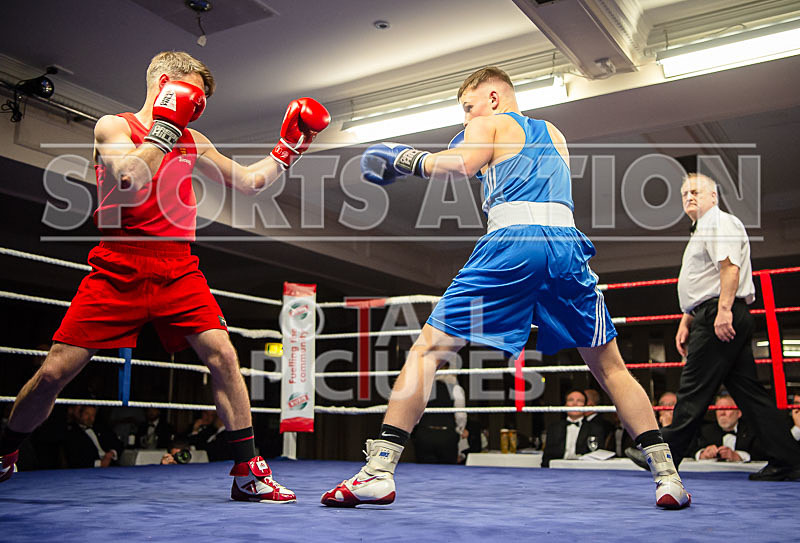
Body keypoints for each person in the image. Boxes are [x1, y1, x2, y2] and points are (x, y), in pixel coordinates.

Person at [321, 66, 689, 509]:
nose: (465, 119)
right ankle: (669, 477)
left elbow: (462, 163)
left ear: (493, 97)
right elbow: (499, 162)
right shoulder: (554, 133)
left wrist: (404, 159)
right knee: (610, 368)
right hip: (568, 248)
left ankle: (379, 470)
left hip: (514, 243)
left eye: (468, 107)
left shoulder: (488, 123)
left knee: (428, 350)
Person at [0, 51, 330, 503]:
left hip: (177, 266)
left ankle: (248, 471)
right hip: (118, 264)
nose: (198, 107)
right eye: (192, 94)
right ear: (164, 84)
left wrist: (288, 149)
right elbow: (130, 177)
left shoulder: (193, 139)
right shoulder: (112, 127)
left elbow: (251, 181)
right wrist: (165, 128)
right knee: (55, 371)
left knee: (223, 355)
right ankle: (4, 451)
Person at [627, 173, 800, 480]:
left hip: (722, 312)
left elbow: (729, 268)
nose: (689, 197)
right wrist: (687, 320)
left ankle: (665, 455)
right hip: (714, 311)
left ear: (713, 196)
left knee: (694, 388)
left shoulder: (720, 222)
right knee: (749, 394)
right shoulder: (702, 229)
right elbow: (704, 282)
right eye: (684, 194)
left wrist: (723, 311)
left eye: (695, 191)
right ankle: (788, 459)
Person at [542, 390, 611, 467]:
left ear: (585, 406)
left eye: (579, 401)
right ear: (565, 405)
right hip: (557, 470)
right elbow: (547, 457)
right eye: (571, 400)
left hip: (584, 470)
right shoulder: (554, 428)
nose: (575, 404)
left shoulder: (595, 428)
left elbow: (597, 455)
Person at [411, 372, 466, 464]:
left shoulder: (421, 389)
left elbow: (414, 412)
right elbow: (461, 415)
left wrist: (417, 428)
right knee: (448, 472)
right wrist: (460, 429)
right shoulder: (456, 389)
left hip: (425, 434)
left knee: (423, 472)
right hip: (446, 435)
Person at [692, 394, 762, 462]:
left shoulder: (753, 431)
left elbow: (761, 455)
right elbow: (689, 450)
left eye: (727, 409)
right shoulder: (706, 431)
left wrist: (738, 456)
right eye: (719, 409)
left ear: (739, 413)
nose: (722, 413)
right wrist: (702, 454)